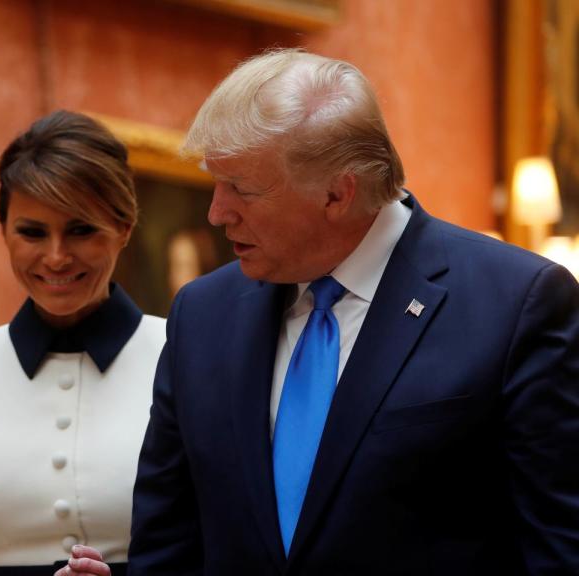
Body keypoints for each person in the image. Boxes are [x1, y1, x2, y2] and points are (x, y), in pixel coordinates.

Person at [128, 48, 579, 574]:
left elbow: (560, 549)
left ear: (338, 194)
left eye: (241, 190)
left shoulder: (516, 304)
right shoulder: (202, 316)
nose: (216, 212)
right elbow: (166, 546)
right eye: (215, 183)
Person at [0, 110, 165, 575]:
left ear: (125, 228)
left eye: (81, 230)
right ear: (4, 232)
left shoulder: (183, 354)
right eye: (32, 232)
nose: (55, 256)